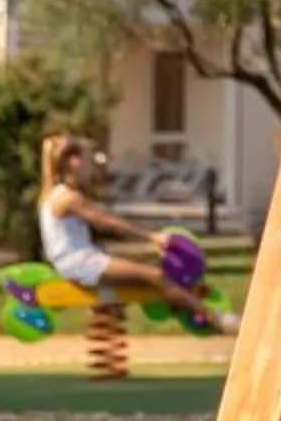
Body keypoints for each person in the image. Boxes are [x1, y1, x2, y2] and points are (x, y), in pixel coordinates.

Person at [36, 135, 237, 331]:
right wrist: (151, 237)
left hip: (78, 261)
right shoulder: (68, 198)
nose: (91, 169)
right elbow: (109, 222)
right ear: (74, 162)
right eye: (88, 162)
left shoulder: (55, 195)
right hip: (82, 263)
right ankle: (215, 318)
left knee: (140, 272)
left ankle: (110, 303)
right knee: (157, 276)